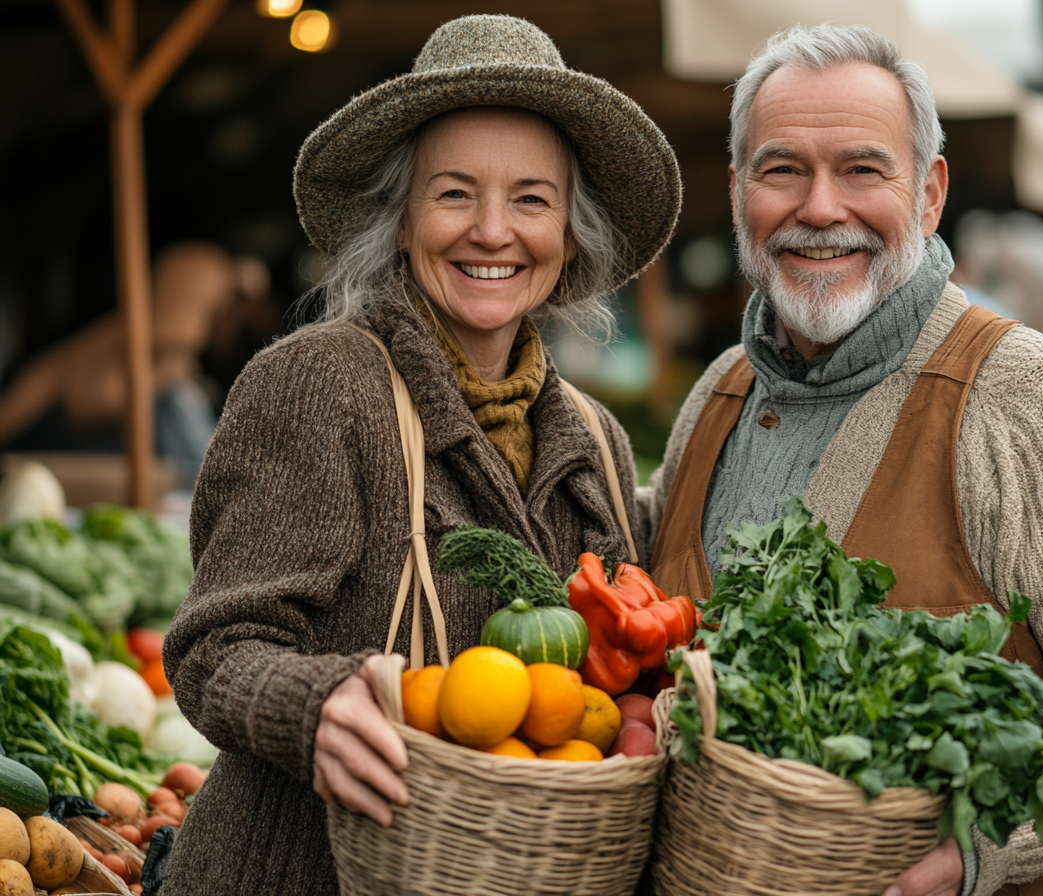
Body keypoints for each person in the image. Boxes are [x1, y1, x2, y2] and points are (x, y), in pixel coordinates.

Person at [641, 24, 1043, 896]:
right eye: (782, 168)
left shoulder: (1034, 398)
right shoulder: (717, 395)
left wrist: (979, 844)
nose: (820, 208)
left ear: (930, 192)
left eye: (864, 169)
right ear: (738, 190)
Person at [160, 15, 680, 895]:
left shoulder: (597, 438)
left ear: (569, 232)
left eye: (530, 198)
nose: (491, 231)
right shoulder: (320, 383)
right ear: (399, 220)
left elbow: (611, 684)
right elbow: (215, 647)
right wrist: (313, 707)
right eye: (452, 194)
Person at [0, 241, 268, 480]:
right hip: (85, 415)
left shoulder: (160, 336)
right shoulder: (206, 273)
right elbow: (175, 336)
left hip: (89, 413)